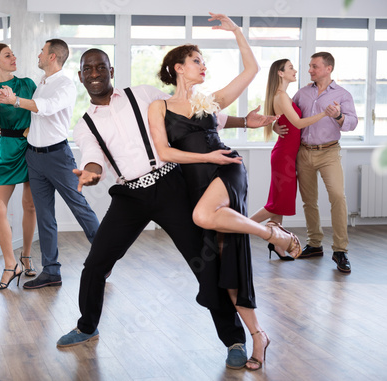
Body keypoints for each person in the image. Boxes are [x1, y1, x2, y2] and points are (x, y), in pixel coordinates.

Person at [56, 44, 276, 370]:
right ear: (80, 77)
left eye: (100, 67)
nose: (95, 74)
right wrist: (91, 173)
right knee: (95, 264)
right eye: (88, 69)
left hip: (172, 184)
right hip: (129, 195)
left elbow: (191, 112)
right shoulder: (84, 125)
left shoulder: (143, 94)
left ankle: (234, 339)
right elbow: (92, 157)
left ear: (111, 71)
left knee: (205, 262)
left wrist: (245, 121)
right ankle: (87, 325)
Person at [148, 14, 302, 370]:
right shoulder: (160, 106)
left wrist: (236, 31)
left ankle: (272, 232)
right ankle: (258, 335)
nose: (204, 66)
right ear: (178, 68)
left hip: (228, 170)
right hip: (198, 183)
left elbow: (252, 69)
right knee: (225, 266)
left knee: (202, 216)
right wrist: (205, 153)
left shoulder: (211, 100)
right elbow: (164, 152)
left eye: (204, 61)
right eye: (197, 61)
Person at [0, 39, 99, 289]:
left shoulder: (65, 84)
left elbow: (46, 108)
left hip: (58, 157)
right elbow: (34, 117)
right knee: (45, 216)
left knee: (80, 208)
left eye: (42, 51)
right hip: (34, 156)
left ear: (52, 57)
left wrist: (14, 100)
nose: (38, 54)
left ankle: (105, 258)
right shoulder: (41, 83)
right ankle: (51, 271)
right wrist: (11, 125)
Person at [275, 52, 358, 273]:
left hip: (329, 152)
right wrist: (275, 126)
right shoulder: (301, 93)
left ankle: (340, 250)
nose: (310, 70)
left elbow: (352, 123)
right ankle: (315, 244)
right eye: (310, 66)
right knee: (309, 200)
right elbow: (285, 115)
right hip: (304, 152)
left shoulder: (342, 94)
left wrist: (338, 116)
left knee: (338, 197)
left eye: (315, 66)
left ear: (328, 68)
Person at [250, 59, 327, 260]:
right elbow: (299, 123)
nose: (295, 70)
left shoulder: (285, 96)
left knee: (280, 203)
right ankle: (236, 228)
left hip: (287, 155)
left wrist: (275, 126)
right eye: (291, 67)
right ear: (280, 73)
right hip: (283, 156)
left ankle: (278, 244)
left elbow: (284, 122)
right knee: (276, 204)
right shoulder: (281, 96)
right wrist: (324, 114)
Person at [0, 43, 37, 290]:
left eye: (13, 53)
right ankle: (10, 263)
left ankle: (26, 255)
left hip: (33, 147)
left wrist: (15, 102)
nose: (14, 57)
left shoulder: (28, 84)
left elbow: (40, 111)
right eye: (7, 55)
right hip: (8, 149)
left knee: (30, 205)